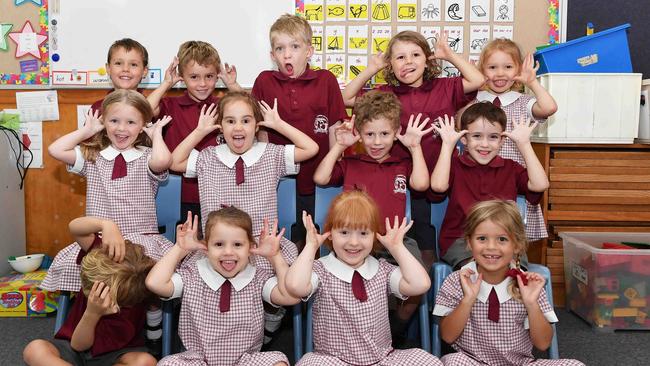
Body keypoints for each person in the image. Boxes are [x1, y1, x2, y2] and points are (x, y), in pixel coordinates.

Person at [170, 90, 318, 341]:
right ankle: (220, 336)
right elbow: (175, 161)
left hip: (262, 247)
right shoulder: (208, 157)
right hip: (219, 248)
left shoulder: (271, 154)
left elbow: (310, 148)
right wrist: (199, 131)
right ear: (221, 126)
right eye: (230, 120)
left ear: (256, 124)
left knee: (275, 285)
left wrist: (278, 124)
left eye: (246, 120)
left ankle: (270, 322)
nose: (238, 127)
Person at [342, 30, 485, 272]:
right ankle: (408, 287)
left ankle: (426, 289)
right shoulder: (387, 93)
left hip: (443, 173)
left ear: (427, 59)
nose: (408, 61)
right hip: (404, 176)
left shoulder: (445, 86)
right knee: (415, 235)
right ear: (390, 65)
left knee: (436, 236)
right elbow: (346, 98)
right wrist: (372, 68)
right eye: (399, 57)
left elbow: (478, 81)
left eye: (415, 55)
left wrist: (449, 55)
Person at [43, 89, 173, 349]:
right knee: (87, 265)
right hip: (97, 237)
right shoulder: (94, 157)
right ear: (104, 122)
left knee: (151, 268)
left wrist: (156, 135)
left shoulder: (147, 158)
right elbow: (56, 149)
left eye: (131, 122)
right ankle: (90, 321)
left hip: (141, 237)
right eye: (114, 121)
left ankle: (153, 316)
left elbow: (163, 160)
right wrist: (87, 130)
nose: (121, 128)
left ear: (142, 125)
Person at [313, 90, 431, 343]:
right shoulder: (352, 163)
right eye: (369, 134)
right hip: (354, 242)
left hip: (396, 242)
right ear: (359, 134)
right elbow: (320, 178)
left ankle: (394, 332)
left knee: (419, 282)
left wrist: (415, 147)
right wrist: (340, 147)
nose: (377, 142)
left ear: (396, 132)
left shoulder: (401, 163)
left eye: (385, 134)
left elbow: (421, 184)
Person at [285, 190, 442, 366]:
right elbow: (294, 286)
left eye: (363, 233)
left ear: (374, 235)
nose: (353, 242)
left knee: (428, 361)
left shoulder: (382, 269)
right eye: (344, 232)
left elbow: (420, 284)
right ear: (330, 233)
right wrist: (310, 247)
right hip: (333, 360)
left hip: (381, 360)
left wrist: (397, 248)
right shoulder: (321, 269)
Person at [432, 200, 585, 366]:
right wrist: (467, 300)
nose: (491, 247)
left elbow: (542, 344)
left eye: (502, 239)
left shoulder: (527, 284)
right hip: (471, 362)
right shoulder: (457, 281)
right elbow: (447, 336)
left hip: (521, 363)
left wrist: (531, 304)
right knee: (452, 361)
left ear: (517, 245)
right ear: (469, 243)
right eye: (482, 238)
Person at [146, 208, 297, 366]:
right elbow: (154, 283)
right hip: (197, 360)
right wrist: (180, 249)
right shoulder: (192, 275)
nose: (228, 252)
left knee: (278, 363)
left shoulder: (258, 277)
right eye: (219, 244)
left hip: (245, 360)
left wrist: (275, 257)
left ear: (251, 248)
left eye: (238, 244)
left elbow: (290, 296)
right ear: (205, 247)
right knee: (167, 364)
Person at [252, 14, 348, 245]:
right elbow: (260, 130)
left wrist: (335, 161)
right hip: (280, 175)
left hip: (318, 172)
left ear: (309, 51)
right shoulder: (264, 81)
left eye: (295, 46)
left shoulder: (326, 80)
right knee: (283, 235)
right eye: (280, 48)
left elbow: (336, 124)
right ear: (272, 55)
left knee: (314, 235)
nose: (287, 54)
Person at [24, 217, 157, 366]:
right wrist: (106, 224)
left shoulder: (141, 284)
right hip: (75, 346)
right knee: (34, 349)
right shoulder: (106, 256)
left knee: (146, 362)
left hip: (119, 353)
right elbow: (74, 227)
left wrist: (93, 312)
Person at [430, 102, 549, 270]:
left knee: (512, 272)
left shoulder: (510, 168)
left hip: (505, 239)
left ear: (502, 140)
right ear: (464, 138)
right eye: (477, 136)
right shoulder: (454, 165)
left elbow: (540, 185)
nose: (485, 144)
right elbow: (438, 186)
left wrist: (524, 144)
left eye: (493, 137)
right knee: (479, 269)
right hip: (462, 240)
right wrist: (447, 145)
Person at [147, 40, 242, 230]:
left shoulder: (225, 105)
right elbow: (142, 111)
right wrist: (166, 83)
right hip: (180, 195)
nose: (203, 84)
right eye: (194, 77)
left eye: (209, 76)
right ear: (182, 76)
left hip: (219, 193)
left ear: (217, 76)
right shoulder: (170, 105)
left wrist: (232, 85)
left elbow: (252, 111)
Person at [476, 38, 557, 242]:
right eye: (493, 67)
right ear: (483, 70)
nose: (500, 73)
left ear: (518, 69)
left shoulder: (523, 102)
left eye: (508, 67)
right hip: (480, 180)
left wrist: (531, 82)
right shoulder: (474, 100)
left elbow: (549, 108)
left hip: (515, 183)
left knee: (511, 237)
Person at [90, 38, 150, 113]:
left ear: (144, 71)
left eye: (133, 64)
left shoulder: (152, 107)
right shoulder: (98, 109)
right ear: (108, 68)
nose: (125, 69)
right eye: (118, 63)